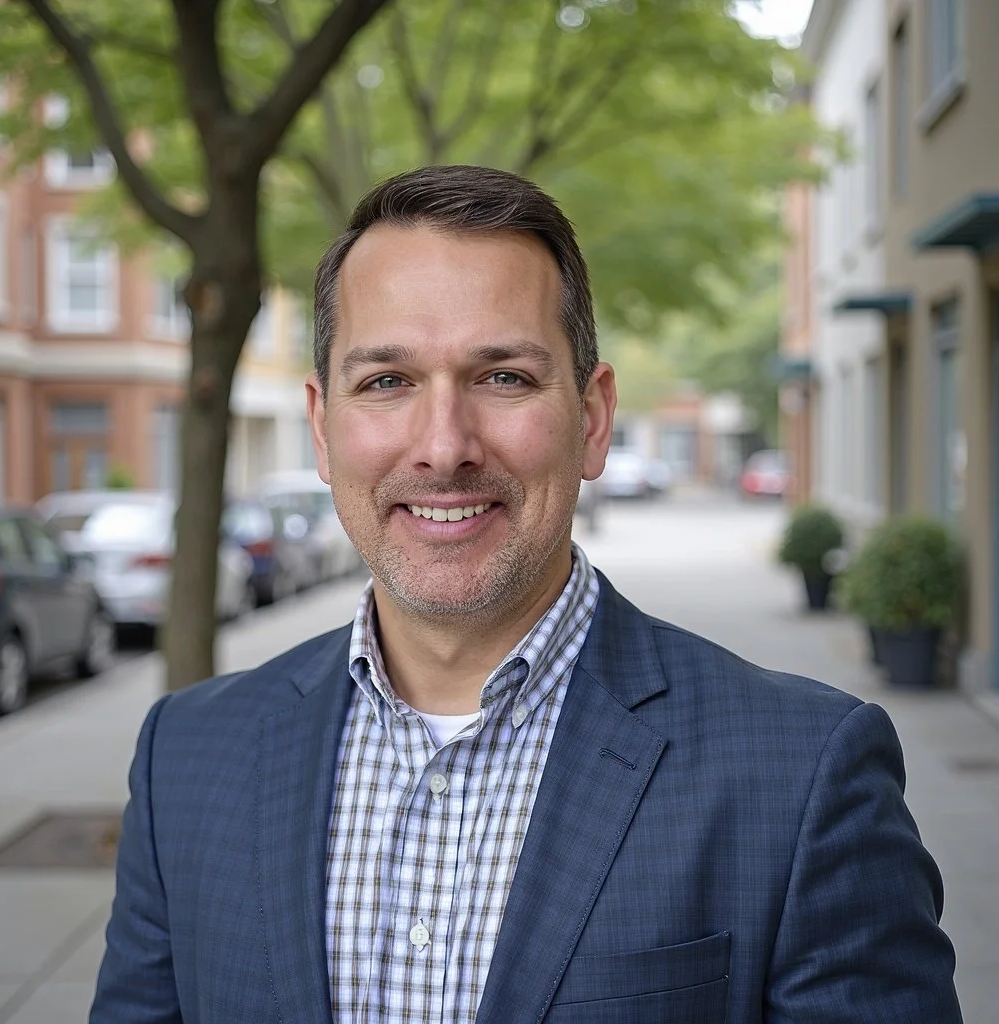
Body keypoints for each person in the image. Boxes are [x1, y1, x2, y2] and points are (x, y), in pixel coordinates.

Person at [90, 165, 962, 1024]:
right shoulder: (187, 759)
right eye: (387, 381)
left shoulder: (802, 774)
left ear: (593, 418)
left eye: (503, 376)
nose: (444, 448)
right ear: (322, 428)